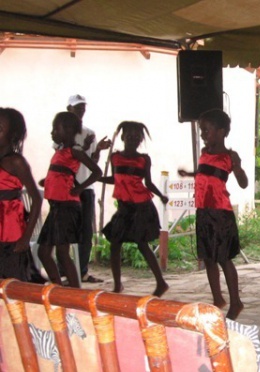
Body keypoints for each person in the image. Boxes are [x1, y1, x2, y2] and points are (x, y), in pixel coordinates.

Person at [178, 109, 248, 320]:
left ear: (221, 131)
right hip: (204, 212)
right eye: (201, 130)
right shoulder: (204, 154)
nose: (203, 134)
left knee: (224, 258)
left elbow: (243, 183)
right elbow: (205, 174)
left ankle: (236, 302)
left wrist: (238, 167)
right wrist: (189, 174)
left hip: (221, 214)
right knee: (208, 258)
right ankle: (218, 298)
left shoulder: (229, 156)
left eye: (206, 130)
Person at [99, 121, 169, 297]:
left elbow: (149, 183)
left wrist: (161, 195)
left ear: (141, 140)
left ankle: (161, 283)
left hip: (141, 207)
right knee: (115, 244)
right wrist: (98, 179)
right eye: (129, 135)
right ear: (122, 137)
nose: (133, 139)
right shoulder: (115, 158)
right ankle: (117, 285)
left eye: (137, 137)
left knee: (142, 244)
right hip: (124, 207)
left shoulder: (143, 159)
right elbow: (115, 179)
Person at [37, 112, 102, 288]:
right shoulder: (61, 151)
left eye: (55, 129)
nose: (52, 133)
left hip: (66, 206)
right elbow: (63, 172)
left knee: (62, 253)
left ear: (68, 130)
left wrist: (80, 188)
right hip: (56, 206)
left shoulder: (75, 151)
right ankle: (58, 287)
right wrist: (48, 180)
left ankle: (75, 291)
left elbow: (97, 172)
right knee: (44, 252)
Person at [65, 94, 111, 283]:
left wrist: (98, 149)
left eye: (83, 108)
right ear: (69, 110)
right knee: (67, 231)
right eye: (77, 108)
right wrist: (84, 148)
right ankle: (66, 271)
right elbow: (67, 157)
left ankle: (82, 271)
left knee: (85, 232)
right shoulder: (63, 131)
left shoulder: (89, 132)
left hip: (86, 187)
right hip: (67, 188)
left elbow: (92, 163)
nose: (81, 111)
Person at [0, 108, 42, 281]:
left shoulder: (16, 162)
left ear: (13, 134)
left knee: (14, 284)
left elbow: (37, 199)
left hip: (11, 235)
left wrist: (26, 238)